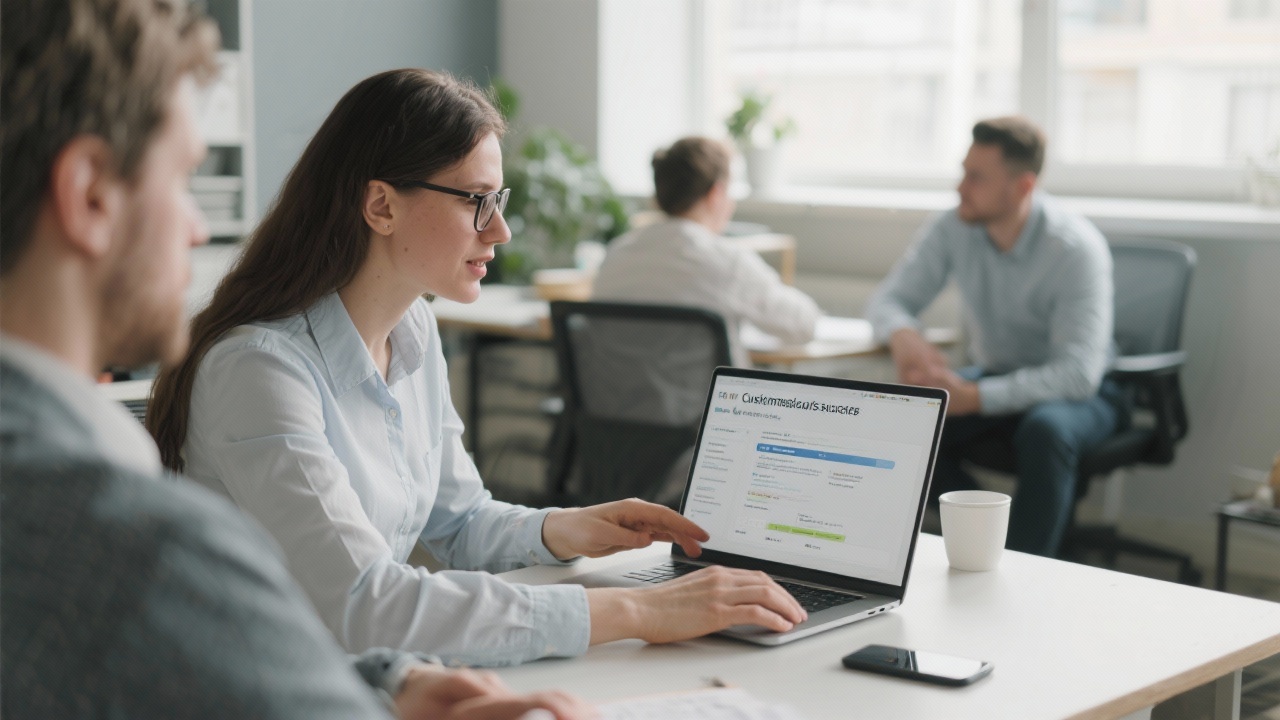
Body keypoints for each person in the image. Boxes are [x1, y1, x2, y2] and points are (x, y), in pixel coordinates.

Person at [0, 1, 590, 717]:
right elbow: (348, 606)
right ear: (90, 194)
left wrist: (388, 683)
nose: (195, 229)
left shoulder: (103, 467)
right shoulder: (125, 524)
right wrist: (630, 614)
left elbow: (215, 661)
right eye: (184, 179)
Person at [147, 69, 808, 667]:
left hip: (352, 676)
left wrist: (564, 526)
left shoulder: (413, 326)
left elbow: (457, 521)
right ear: (381, 205)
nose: (500, 232)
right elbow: (365, 605)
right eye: (475, 201)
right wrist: (638, 611)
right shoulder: (259, 372)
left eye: (501, 200)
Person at [865, 116, 1120, 558]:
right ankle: (983, 538)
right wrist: (903, 334)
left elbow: (1078, 375)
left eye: (976, 177)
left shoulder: (1075, 248)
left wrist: (976, 397)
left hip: (1085, 394)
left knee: (1046, 430)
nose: (960, 188)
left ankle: (1024, 570)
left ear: (1022, 187)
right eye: (963, 171)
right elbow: (887, 300)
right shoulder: (954, 227)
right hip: (995, 374)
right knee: (908, 419)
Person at [591, 136, 821, 366]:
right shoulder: (726, 262)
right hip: (708, 402)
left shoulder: (616, 255)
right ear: (716, 194)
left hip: (617, 402)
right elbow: (803, 325)